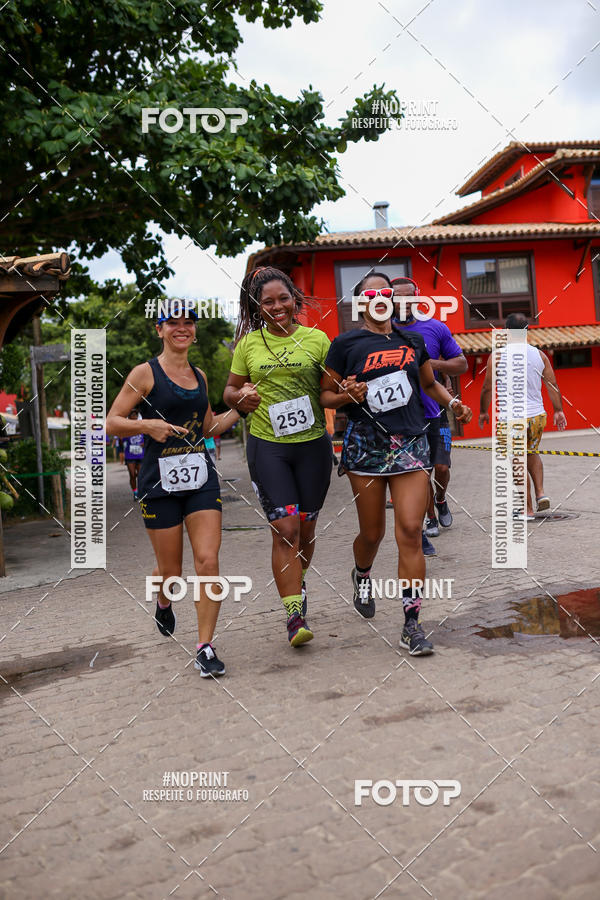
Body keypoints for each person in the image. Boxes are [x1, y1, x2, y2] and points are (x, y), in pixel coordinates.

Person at [321, 271, 472, 655]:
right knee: (372, 534)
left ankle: (411, 624)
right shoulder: (345, 344)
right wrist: (347, 396)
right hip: (366, 450)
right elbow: (325, 396)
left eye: (385, 293)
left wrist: (453, 404)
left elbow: (429, 384)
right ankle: (362, 574)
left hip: (411, 443)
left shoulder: (413, 340)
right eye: (370, 295)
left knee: (410, 530)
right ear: (361, 303)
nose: (379, 299)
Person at [106, 301, 239, 677]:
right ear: (159, 329)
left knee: (208, 561)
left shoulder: (200, 376)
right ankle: (164, 601)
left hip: (200, 480)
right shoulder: (144, 373)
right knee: (171, 571)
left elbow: (209, 428)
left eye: (189, 322)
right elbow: (112, 422)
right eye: (173, 322)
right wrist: (147, 426)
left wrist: (241, 410)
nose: (182, 328)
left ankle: (205, 647)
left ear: (195, 330)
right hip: (158, 483)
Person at [223, 266, 332, 648]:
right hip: (268, 445)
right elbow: (229, 391)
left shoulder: (318, 340)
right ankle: (293, 615)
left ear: (294, 300)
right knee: (285, 529)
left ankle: (296, 581)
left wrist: (349, 389)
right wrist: (240, 397)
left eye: (283, 298)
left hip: (313, 446)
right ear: (258, 307)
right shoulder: (249, 345)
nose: (277, 306)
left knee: (306, 529)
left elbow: (329, 390)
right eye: (267, 302)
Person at [391, 276, 468, 545]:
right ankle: (431, 518)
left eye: (408, 296)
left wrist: (429, 363)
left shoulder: (435, 327)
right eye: (397, 297)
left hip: (435, 412)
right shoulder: (384, 333)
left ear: (417, 297)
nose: (403, 302)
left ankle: (441, 499)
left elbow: (461, 364)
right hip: (404, 416)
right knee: (421, 472)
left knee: (441, 467)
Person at [479, 312, 567, 518]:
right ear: (527, 331)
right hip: (537, 416)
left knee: (517, 460)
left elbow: (487, 388)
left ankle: (527, 509)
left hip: (511, 419)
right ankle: (540, 493)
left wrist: (483, 411)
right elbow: (552, 384)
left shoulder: (497, 356)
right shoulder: (540, 355)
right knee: (532, 452)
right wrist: (558, 410)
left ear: (507, 332)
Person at [120, 409, 145, 499]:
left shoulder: (141, 427)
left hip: (140, 454)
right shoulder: (126, 428)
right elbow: (121, 440)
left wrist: (144, 443)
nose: (134, 417)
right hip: (130, 455)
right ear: (129, 417)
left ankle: (141, 491)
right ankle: (135, 492)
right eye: (132, 415)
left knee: (141, 475)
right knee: (132, 475)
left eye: (135, 415)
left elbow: (147, 438)